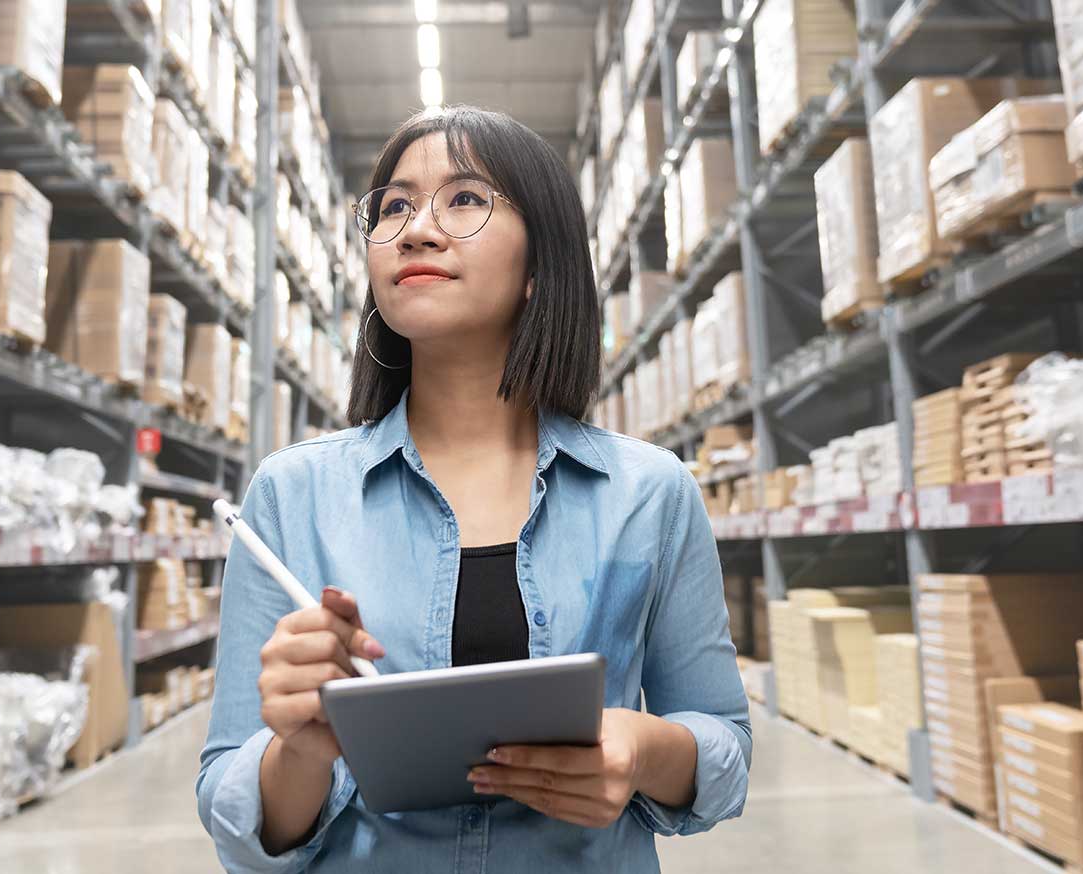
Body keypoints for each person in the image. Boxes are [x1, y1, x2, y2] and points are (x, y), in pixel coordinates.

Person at [196, 105, 751, 872]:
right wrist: (301, 749)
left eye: (464, 198)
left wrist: (642, 748)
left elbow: (723, 743)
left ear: (539, 266)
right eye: (394, 206)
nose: (417, 229)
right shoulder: (291, 495)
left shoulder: (649, 493)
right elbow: (233, 807)